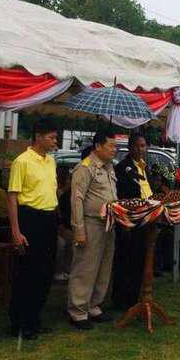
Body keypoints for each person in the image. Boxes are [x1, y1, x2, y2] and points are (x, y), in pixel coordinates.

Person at [7, 119, 59, 340]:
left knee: (45, 272)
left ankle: (34, 318)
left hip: (49, 218)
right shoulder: (22, 161)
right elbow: (12, 197)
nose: (55, 141)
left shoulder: (51, 161)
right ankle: (20, 322)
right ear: (38, 137)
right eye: (52, 137)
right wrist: (16, 231)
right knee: (27, 272)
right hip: (30, 218)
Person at [68, 129, 118, 329]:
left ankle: (93, 306)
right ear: (98, 146)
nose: (114, 150)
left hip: (108, 224)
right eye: (110, 146)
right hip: (91, 224)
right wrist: (79, 229)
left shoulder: (109, 167)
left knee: (103, 268)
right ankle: (78, 311)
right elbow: (76, 200)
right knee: (85, 268)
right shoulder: (85, 167)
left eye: (115, 146)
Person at [112, 132, 152, 309]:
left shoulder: (144, 167)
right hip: (129, 220)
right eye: (137, 146)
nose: (140, 149)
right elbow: (121, 196)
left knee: (139, 259)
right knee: (125, 260)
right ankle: (121, 299)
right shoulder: (123, 168)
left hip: (145, 219)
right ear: (130, 147)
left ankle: (133, 297)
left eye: (143, 146)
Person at [55, 165, 73, 282]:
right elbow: (59, 215)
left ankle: (68, 270)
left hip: (69, 227)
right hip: (60, 228)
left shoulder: (70, 194)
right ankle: (59, 271)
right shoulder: (62, 195)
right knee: (61, 244)